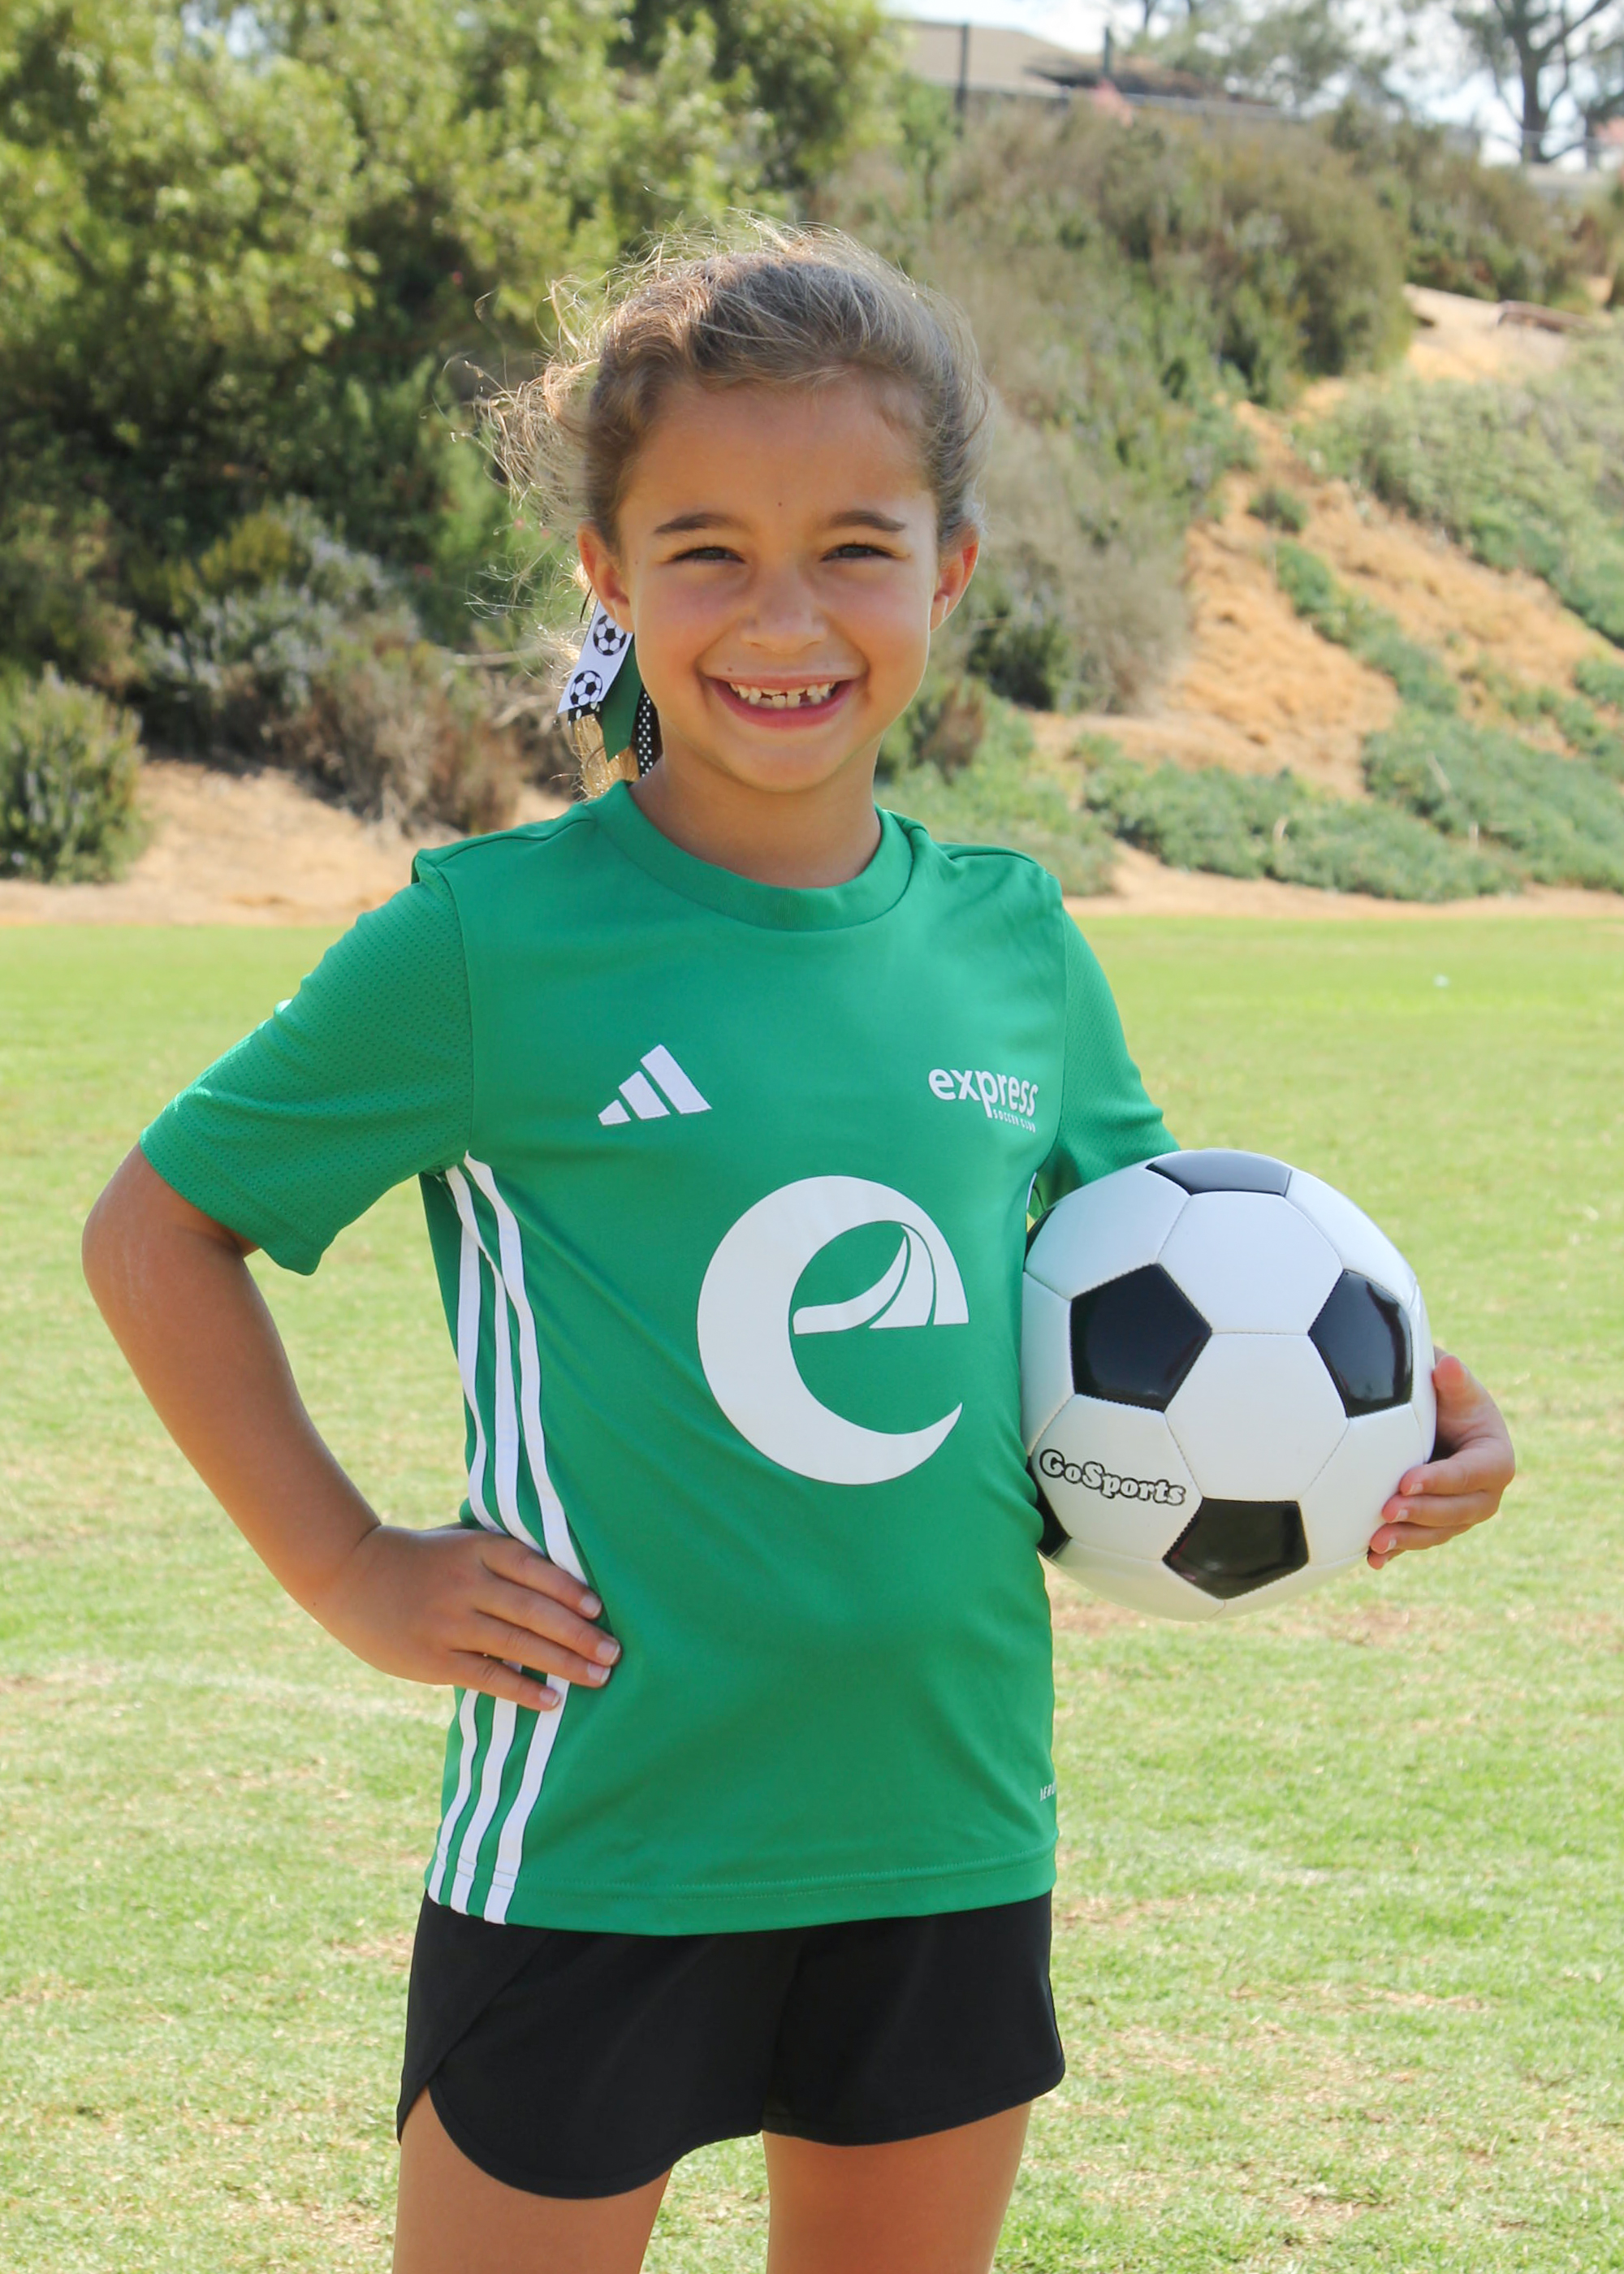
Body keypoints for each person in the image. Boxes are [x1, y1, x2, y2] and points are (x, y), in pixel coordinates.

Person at [82, 227, 1515, 2274]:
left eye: (854, 547)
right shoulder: (489, 942)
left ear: (949, 569)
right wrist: (349, 1565)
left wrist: (1406, 1429)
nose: (785, 616)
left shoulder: (1014, 941)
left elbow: (1178, 1287)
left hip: (944, 1833)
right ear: (608, 576)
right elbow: (157, 1230)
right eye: (707, 552)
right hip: (601, 1838)